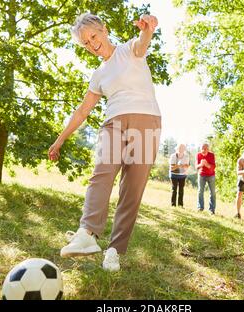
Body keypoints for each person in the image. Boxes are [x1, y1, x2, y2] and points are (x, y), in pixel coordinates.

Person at [48, 13, 161, 272]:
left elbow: (142, 43)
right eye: (85, 43)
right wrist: (59, 141)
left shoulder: (128, 50)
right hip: (114, 123)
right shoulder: (98, 75)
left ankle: (114, 251)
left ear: (104, 29)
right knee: (102, 173)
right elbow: (82, 111)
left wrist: (148, 29)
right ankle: (87, 234)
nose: (92, 44)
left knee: (131, 191)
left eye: (94, 37)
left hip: (147, 121)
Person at [196, 143, 216, 214]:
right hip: (201, 175)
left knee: (212, 192)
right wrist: (201, 164)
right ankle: (200, 207)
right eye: (202, 149)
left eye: (205, 149)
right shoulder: (198, 155)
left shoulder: (211, 155)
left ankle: (212, 210)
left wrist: (206, 164)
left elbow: (213, 167)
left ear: (208, 149)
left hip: (211, 175)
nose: (203, 150)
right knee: (200, 191)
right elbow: (197, 166)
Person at [169, 143, 190, 207]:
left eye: (182, 148)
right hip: (174, 175)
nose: (181, 149)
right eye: (180, 148)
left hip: (182, 175)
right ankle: (173, 204)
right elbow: (172, 168)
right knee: (174, 189)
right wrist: (179, 166)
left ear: (184, 149)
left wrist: (181, 166)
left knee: (181, 190)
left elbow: (187, 166)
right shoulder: (173, 156)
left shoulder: (186, 156)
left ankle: (180, 205)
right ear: (177, 149)